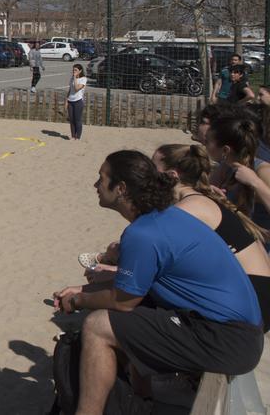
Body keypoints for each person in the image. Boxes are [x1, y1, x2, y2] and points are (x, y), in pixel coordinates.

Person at [52, 151, 263, 413]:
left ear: (120, 188)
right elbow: (138, 286)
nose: (95, 185)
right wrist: (85, 290)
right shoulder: (166, 218)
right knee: (137, 315)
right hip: (237, 332)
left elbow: (125, 300)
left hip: (228, 339)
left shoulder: (143, 233)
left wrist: (78, 300)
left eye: (101, 178)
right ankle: (143, 398)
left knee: (98, 326)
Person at [154, 143, 270, 330]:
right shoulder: (201, 197)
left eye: (153, 170)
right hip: (256, 290)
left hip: (253, 298)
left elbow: (158, 255)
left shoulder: (189, 208)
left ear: (172, 175)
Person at [205, 114, 270, 239]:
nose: (204, 145)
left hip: (261, 249)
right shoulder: (226, 167)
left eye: (207, 141)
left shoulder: (263, 170)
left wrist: (256, 183)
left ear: (225, 150)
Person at [66, 63, 87, 141]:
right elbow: (70, 90)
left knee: (77, 119)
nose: (74, 71)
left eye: (76, 70)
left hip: (78, 101)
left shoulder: (83, 79)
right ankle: (73, 136)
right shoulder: (72, 78)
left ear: (80, 71)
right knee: (71, 120)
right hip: (70, 101)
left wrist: (75, 77)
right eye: (73, 70)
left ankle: (78, 137)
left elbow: (76, 88)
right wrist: (66, 101)